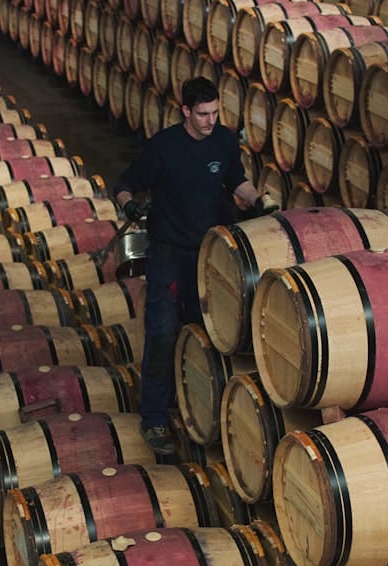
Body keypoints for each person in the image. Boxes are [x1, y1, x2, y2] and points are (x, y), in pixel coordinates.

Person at [113, 77, 276, 456]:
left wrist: (257, 202)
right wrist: (128, 205)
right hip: (170, 254)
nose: (210, 120)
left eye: (215, 112)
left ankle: (201, 408)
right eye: (203, 114)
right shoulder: (164, 147)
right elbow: (124, 183)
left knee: (214, 333)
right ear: (185, 110)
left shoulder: (223, 139)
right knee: (164, 332)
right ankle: (154, 418)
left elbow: (236, 179)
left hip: (212, 252)